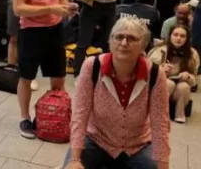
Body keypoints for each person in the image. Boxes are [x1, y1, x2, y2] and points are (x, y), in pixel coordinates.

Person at [64, 17, 170, 169]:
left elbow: (160, 124)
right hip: (96, 140)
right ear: (110, 41)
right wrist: (74, 159)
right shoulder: (92, 66)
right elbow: (79, 115)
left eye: (132, 38)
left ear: (143, 46)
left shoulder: (155, 73)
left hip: (137, 144)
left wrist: (164, 166)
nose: (124, 43)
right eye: (119, 37)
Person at [12, 0, 72, 139]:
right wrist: (49, 8)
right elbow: (18, 8)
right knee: (26, 77)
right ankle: (24, 117)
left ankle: (53, 113)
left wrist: (65, 7)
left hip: (55, 29)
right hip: (31, 31)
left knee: (59, 76)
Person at [148, 24, 199, 123]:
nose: (178, 38)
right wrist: (160, 69)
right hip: (160, 86)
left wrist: (188, 77)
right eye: (175, 35)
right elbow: (147, 74)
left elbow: (194, 81)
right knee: (168, 83)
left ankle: (179, 114)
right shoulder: (160, 50)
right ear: (170, 36)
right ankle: (159, 113)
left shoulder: (192, 54)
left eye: (182, 36)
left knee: (184, 86)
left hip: (179, 88)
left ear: (187, 38)